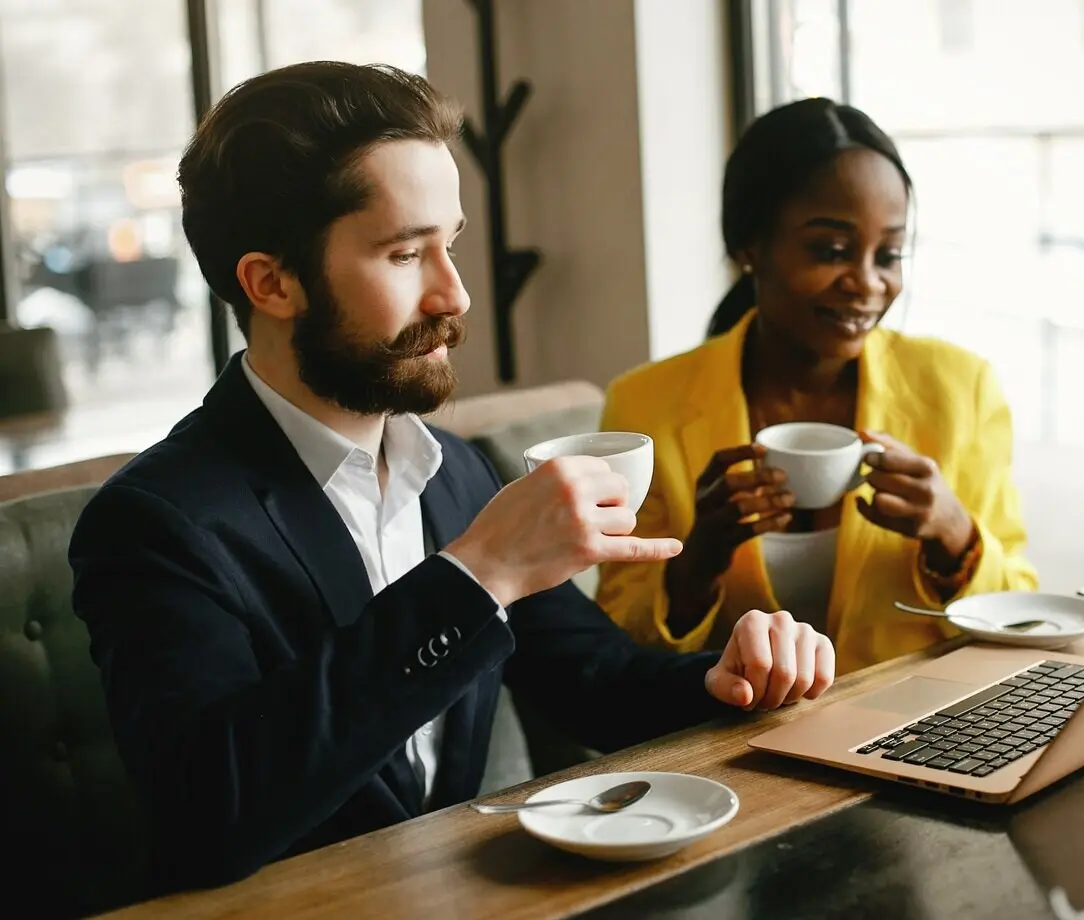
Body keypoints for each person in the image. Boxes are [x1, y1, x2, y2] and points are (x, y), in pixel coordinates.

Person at [67, 62, 833, 894]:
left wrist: (728, 677)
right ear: (271, 282)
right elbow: (211, 813)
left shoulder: (453, 469)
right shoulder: (156, 523)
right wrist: (479, 574)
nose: (455, 293)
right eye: (405, 255)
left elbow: (594, 681)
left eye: (452, 244)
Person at [597, 98, 1037, 675]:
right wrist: (699, 559)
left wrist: (955, 536)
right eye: (831, 250)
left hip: (917, 728)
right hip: (735, 740)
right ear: (749, 246)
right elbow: (616, 649)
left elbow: (1023, 611)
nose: (867, 282)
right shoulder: (646, 405)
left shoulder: (961, 388)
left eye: (890, 254)